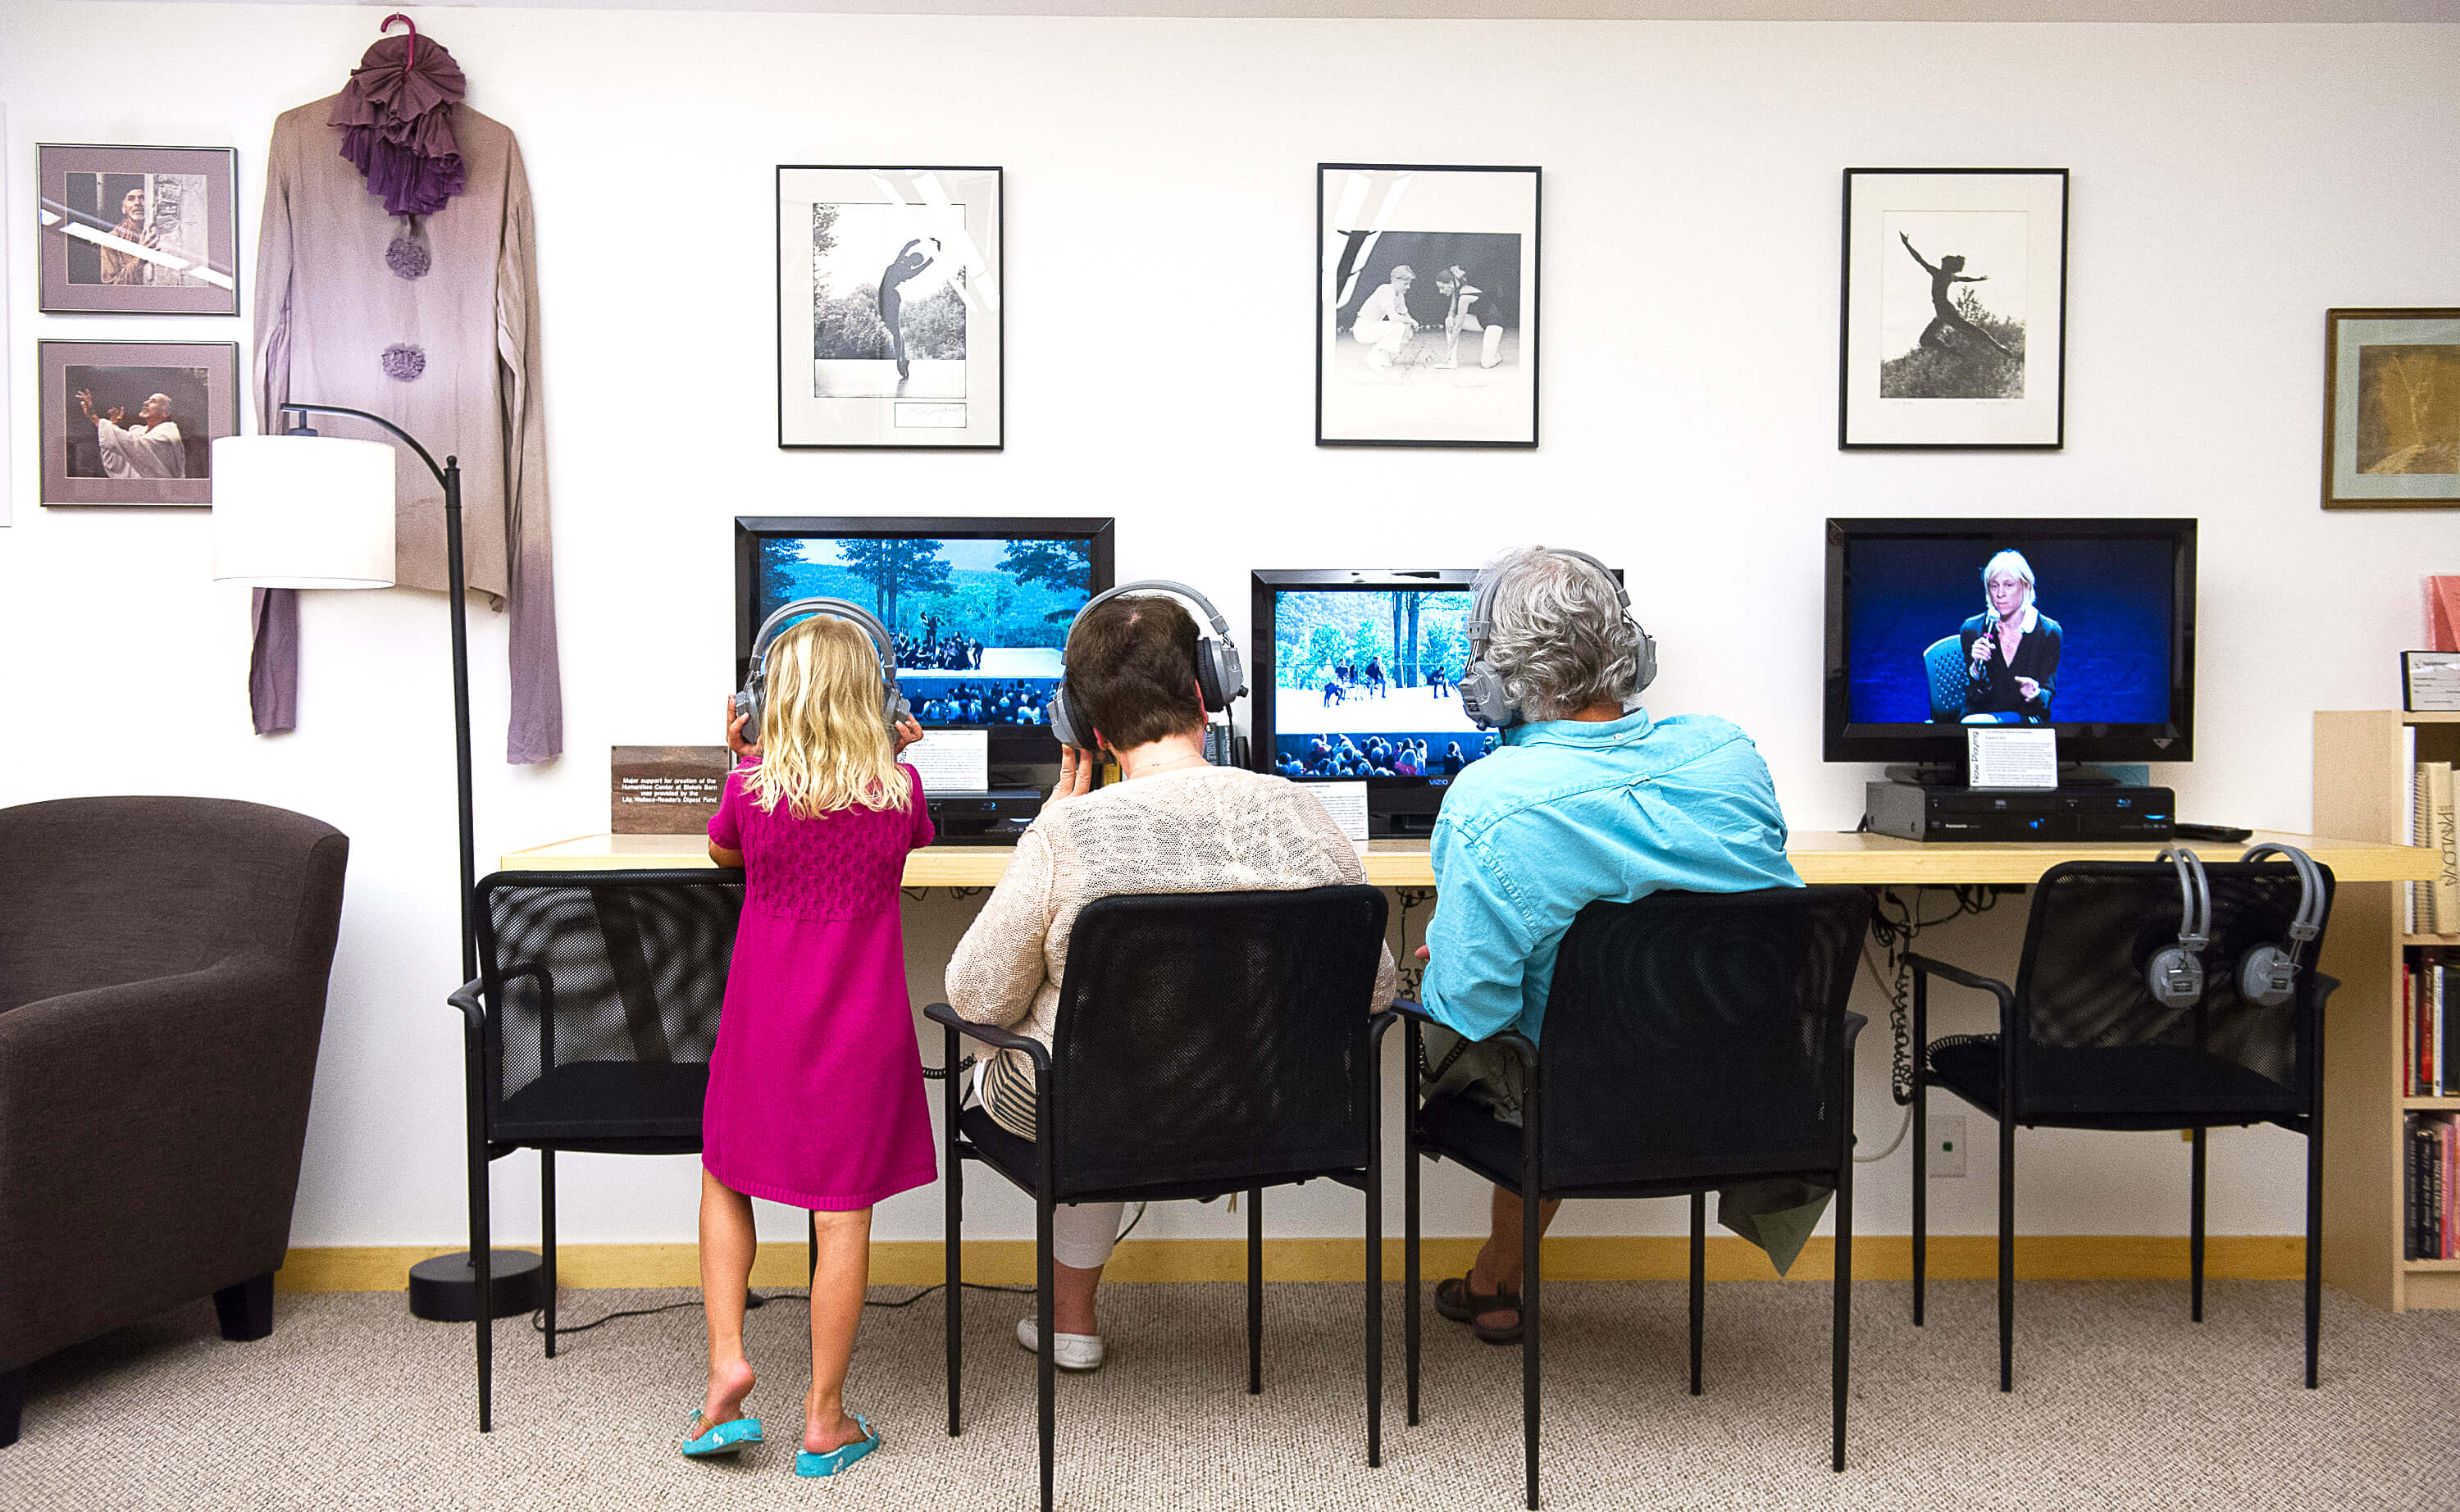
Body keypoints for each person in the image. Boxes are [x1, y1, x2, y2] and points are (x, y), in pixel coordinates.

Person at [945, 591, 1397, 1371]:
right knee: (1111, 1056)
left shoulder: (1067, 832)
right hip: (1274, 1112)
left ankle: (1070, 1321)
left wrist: (1043, 839)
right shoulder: (1301, 810)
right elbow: (1377, 989)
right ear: (1204, 692)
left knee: (1066, 1057)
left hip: (1100, 1121)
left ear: (1085, 727)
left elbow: (975, 999)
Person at [1415, 545, 1803, 1346]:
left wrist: (1448, 965)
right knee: (1571, 1017)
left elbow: (1478, 1016)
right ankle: (1495, 1276)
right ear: (1634, 654)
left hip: (1578, 1102)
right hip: (1742, 1085)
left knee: (1471, 1021)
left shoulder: (1487, 805)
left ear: (1490, 685)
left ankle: (1489, 1281)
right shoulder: (1728, 751)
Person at [690, 616, 935, 1477]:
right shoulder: (899, 792)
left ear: (769, 699)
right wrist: (902, 754)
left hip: (765, 1022)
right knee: (843, 1214)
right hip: (860, 1028)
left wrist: (739, 759)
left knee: (727, 1173)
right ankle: (824, 1418)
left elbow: (724, 851)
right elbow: (912, 840)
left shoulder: (751, 789)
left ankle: (727, 1361)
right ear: (876, 696)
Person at [1958, 549, 2061, 723]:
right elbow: (1975, 697)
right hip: (1981, 718)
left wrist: (2035, 693)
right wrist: (1976, 670)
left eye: (2008, 585)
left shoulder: (2049, 631)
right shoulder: (1973, 629)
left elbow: (2046, 694)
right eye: (1994, 585)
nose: (2000, 594)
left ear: (2026, 586)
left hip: (2026, 718)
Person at [1897, 231, 2015, 362]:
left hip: (1945, 311)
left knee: (1969, 330)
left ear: (1946, 265)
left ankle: (1998, 348)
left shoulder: (1938, 273)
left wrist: (1906, 244)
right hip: (1942, 313)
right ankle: (1955, 352)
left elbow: (1919, 259)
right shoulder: (1949, 276)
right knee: (1926, 340)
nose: (1941, 262)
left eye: (1944, 262)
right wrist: (1977, 279)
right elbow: (1964, 278)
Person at [76, 389, 184, 479]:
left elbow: (137, 446)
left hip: (159, 495)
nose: (145, 403)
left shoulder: (169, 433)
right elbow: (116, 459)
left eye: (153, 401)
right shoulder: (138, 432)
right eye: (147, 400)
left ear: (165, 413)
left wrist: (96, 419)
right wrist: (112, 425)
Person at [878, 236, 939, 382]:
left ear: (913, 261)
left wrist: (929, 243)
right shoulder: (903, 265)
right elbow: (909, 246)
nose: (911, 259)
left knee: (894, 330)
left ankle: (901, 359)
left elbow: (924, 261)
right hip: (884, 296)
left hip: (889, 297)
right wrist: (928, 241)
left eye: (914, 259)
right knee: (894, 330)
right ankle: (902, 358)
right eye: (913, 257)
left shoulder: (904, 267)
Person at [1351, 265, 1419, 369]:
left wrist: (1410, 330)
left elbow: (1405, 314)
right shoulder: (1385, 290)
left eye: (1409, 283)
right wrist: (1412, 322)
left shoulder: (1400, 296)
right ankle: (1373, 355)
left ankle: (1383, 357)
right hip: (1362, 330)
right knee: (1398, 326)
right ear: (1395, 280)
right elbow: (1394, 318)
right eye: (1406, 284)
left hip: (1373, 328)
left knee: (1402, 328)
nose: (1408, 287)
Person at [98, 185, 158, 285]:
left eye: (142, 198)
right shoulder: (111, 240)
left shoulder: (159, 233)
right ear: (124, 208)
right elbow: (111, 285)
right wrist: (140, 257)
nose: (137, 203)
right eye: (131, 199)